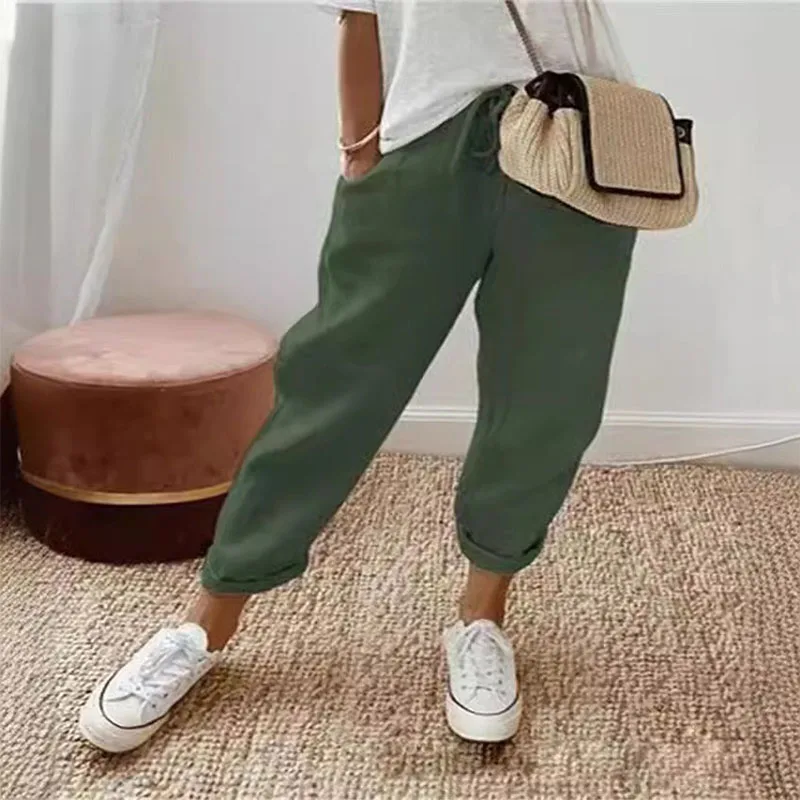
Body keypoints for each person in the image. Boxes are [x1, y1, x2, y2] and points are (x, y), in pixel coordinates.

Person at [79, 0, 636, 752]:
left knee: (548, 398)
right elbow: (359, 12)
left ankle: (481, 618)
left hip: (571, 134)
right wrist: (360, 151)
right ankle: (205, 623)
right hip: (424, 141)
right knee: (333, 386)